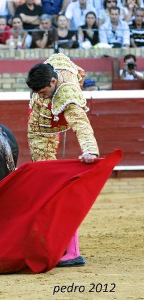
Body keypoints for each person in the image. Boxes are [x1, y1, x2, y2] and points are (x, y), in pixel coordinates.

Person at [26, 53, 99, 267]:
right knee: (46, 188)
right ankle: (61, 244)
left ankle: (70, 250)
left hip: (46, 129)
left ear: (53, 81)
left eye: (43, 92)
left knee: (53, 192)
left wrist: (90, 150)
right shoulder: (52, 67)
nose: (41, 96)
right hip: (40, 131)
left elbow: (81, 123)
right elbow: (69, 63)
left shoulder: (68, 92)